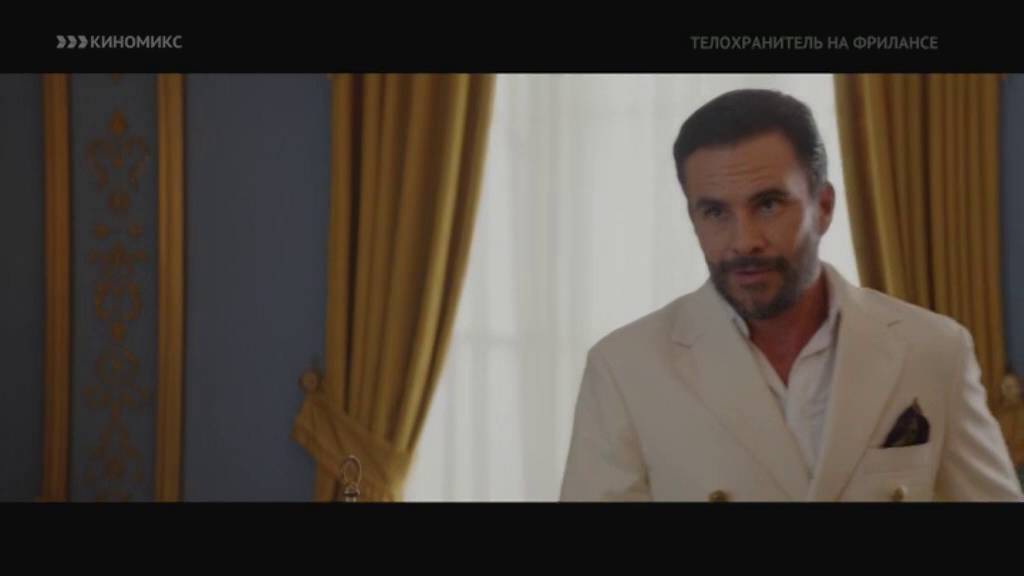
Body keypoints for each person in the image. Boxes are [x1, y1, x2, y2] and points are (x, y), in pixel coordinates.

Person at [560, 89, 1023, 502]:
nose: (744, 241)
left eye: (768, 205)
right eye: (715, 212)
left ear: (823, 206)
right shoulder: (625, 368)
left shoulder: (933, 349)